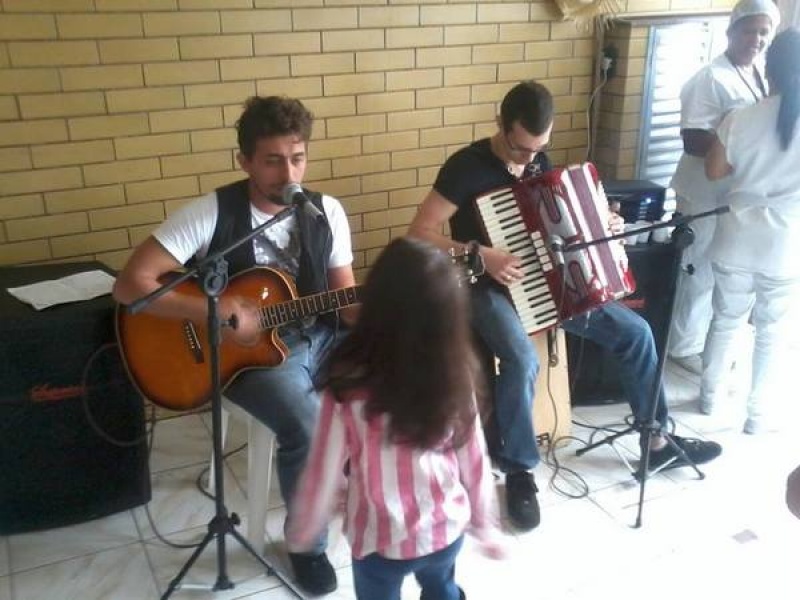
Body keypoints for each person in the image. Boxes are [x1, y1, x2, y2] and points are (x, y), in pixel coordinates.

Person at [407, 80, 722, 532]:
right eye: (520, 149)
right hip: (482, 285)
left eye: (539, 149)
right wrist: (482, 253)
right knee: (518, 358)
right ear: (501, 124)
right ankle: (519, 471)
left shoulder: (540, 162)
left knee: (636, 334)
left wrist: (603, 219)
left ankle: (655, 440)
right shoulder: (465, 167)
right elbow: (419, 233)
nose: (529, 159)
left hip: (544, 282)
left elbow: (557, 231)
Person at [112, 95, 357, 595]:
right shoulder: (210, 213)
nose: (288, 172)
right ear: (244, 160)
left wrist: (398, 303)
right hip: (245, 359)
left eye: (298, 157)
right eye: (272, 160)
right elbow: (131, 284)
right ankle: (305, 545)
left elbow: (347, 301)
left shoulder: (325, 211)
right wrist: (215, 311)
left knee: (403, 374)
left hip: (318, 334)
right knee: (305, 423)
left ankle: (377, 497)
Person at [286, 237, 504, 600]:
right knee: (442, 588)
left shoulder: (346, 384)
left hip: (378, 540)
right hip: (444, 530)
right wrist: (486, 524)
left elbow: (322, 466)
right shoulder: (455, 374)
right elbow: (474, 455)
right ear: (448, 319)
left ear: (374, 304)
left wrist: (305, 526)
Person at [668, 0, 781, 374]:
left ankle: (703, 343)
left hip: (728, 195)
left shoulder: (755, 74)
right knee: (696, 268)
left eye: (764, 32)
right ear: (732, 31)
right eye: (750, 30)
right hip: (702, 191)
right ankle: (682, 345)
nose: (757, 39)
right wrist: (735, 150)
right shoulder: (710, 78)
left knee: (717, 271)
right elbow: (691, 138)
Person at [701, 28, 800, 434]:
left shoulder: (742, 116)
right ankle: (756, 416)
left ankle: (708, 397)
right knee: (771, 331)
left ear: (768, 68)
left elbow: (714, 171)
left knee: (725, 318)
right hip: (785, 242)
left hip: (737, 235)